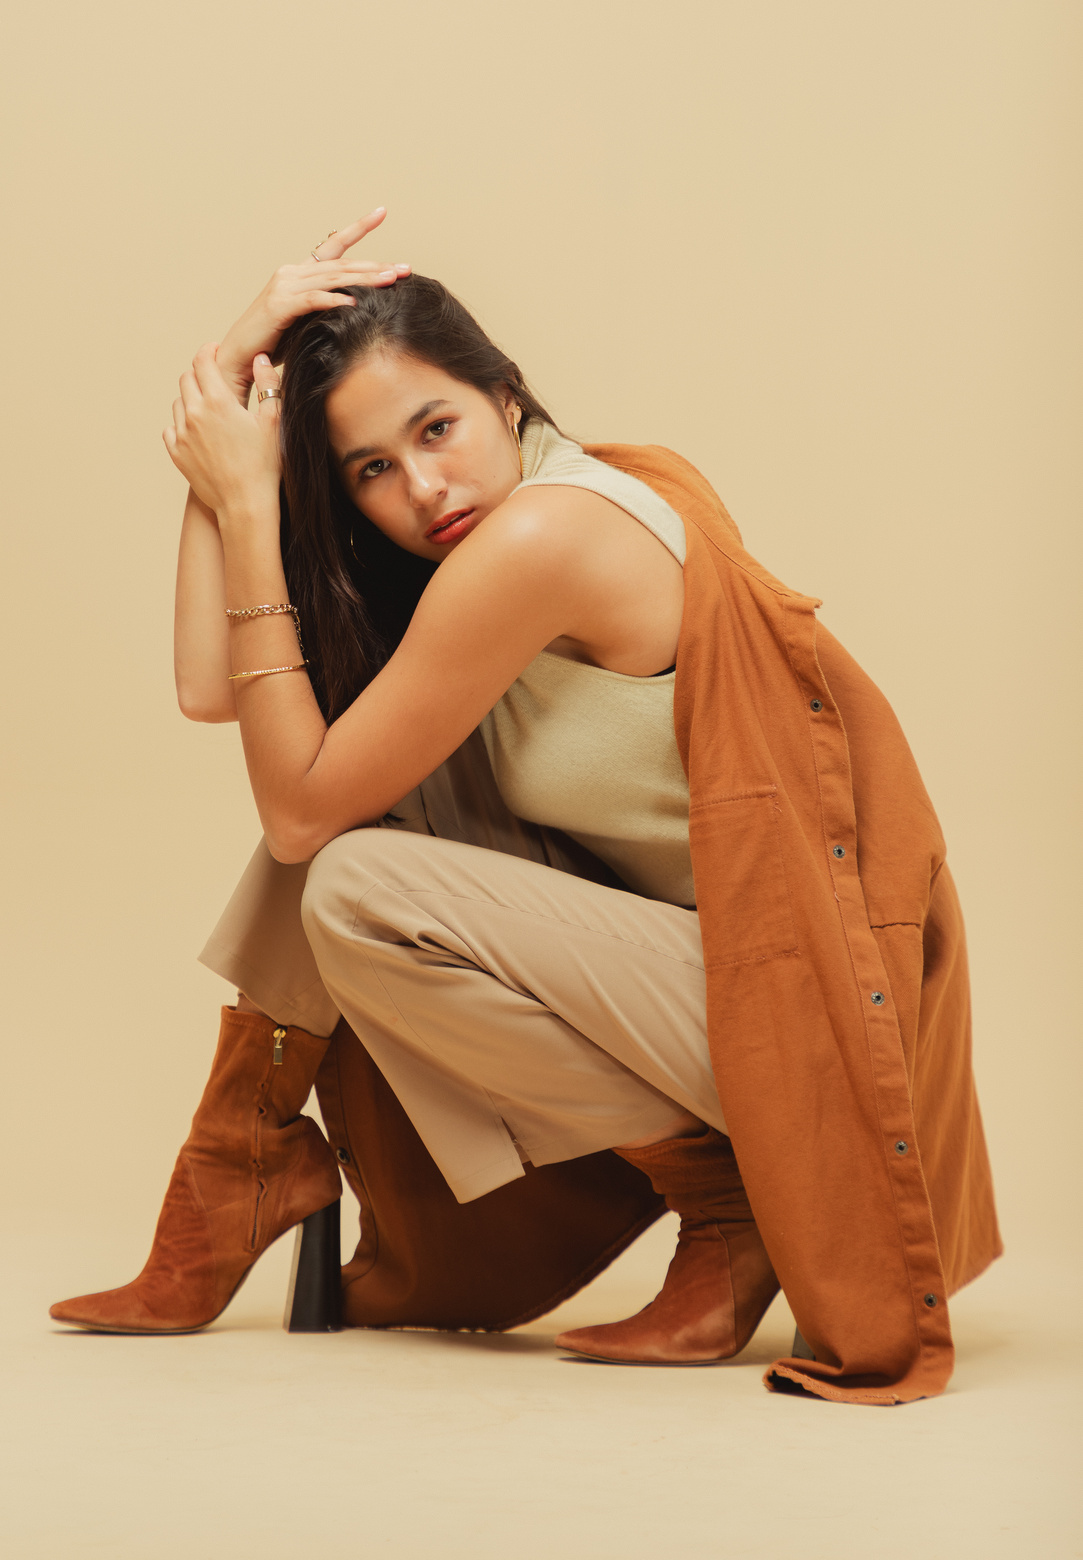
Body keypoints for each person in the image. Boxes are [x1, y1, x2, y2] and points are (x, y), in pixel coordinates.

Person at [50, 208, 1000, 1403]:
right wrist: (229, 417)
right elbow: (213, 689)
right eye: (370, 471)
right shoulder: (493, 533)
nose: (422, 487)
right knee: (366, 771)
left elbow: (295, 814)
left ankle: (715, 1198)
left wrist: (249, 510)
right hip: (699, 971)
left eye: (435, 427)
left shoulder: (548, 534)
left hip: (799, 1007)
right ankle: (240, 1155)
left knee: (350, 870)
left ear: (504, 396)